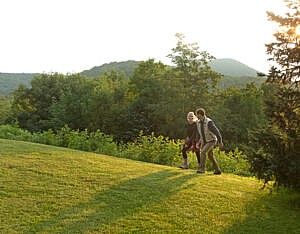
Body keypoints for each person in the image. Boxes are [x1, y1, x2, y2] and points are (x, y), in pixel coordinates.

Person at [195, 108, 223, 174]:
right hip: (204, 141)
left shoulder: (209, 122)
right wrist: (197, 142)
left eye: (197, 115)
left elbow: (217, 132)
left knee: (203, 152)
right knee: (210, 156)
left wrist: (220, 141)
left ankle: (202, 169)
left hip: (211, 140)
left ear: (200, 115)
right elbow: (198, 133)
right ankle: (217, 170)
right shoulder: (198, 122)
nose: (196, 116)